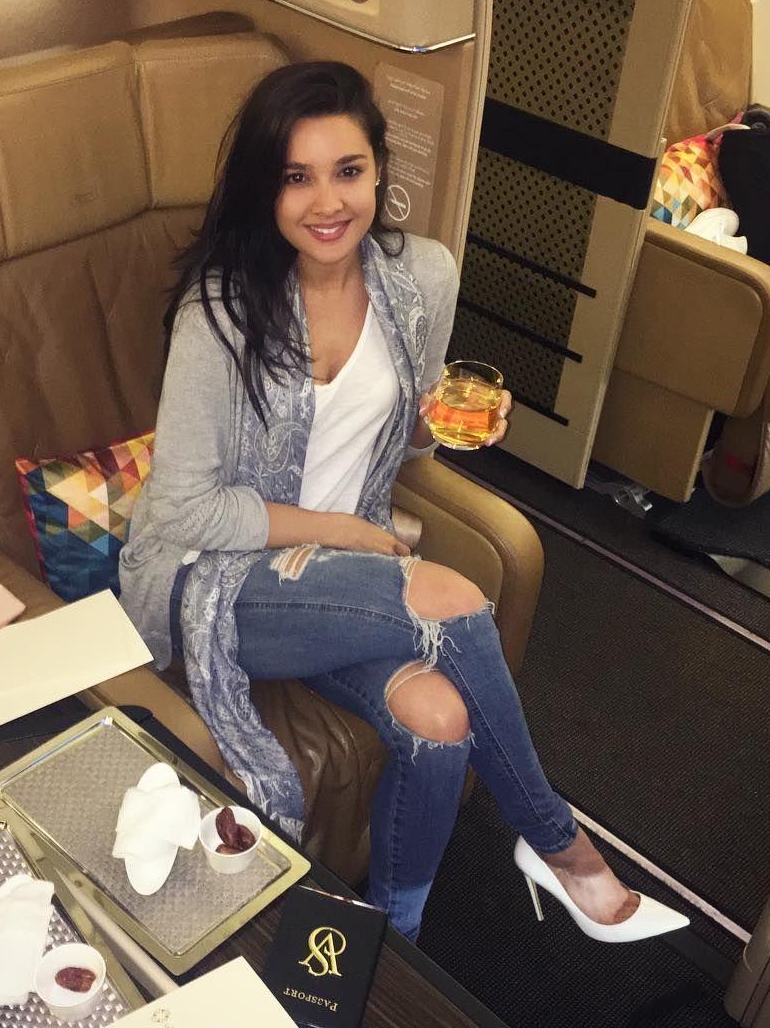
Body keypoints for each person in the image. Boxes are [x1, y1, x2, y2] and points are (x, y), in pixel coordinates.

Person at [119, 61, 687, 944]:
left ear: (380, 171)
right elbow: (182, 510)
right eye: (297, 177)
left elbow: (407, 437)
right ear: (267, 189)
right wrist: (342, 531)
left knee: (441, 720)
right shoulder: (221, 312)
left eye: (347, 171)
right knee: (451, 598)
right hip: (223, 579)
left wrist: (439, 424)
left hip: (340, 580)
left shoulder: (422, 275)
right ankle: (561, 845)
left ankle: (391, 940)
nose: (327, 202)